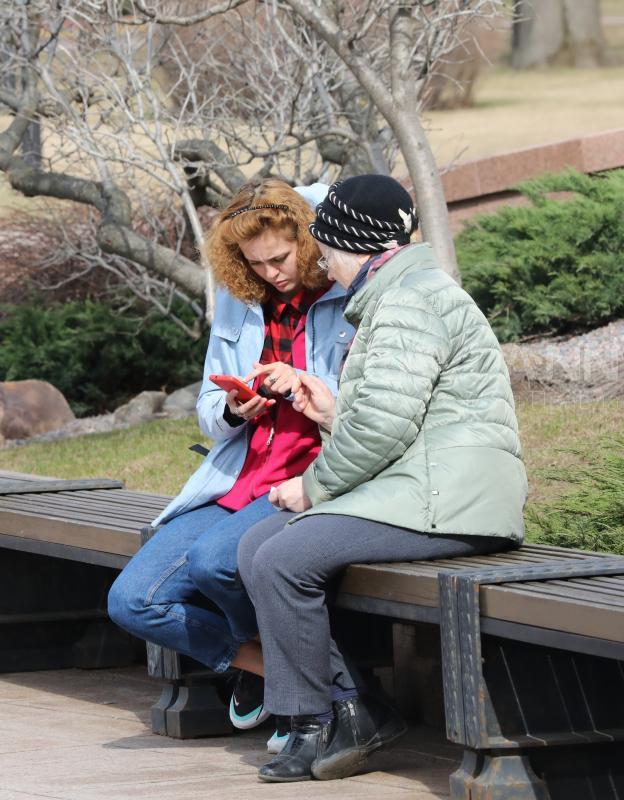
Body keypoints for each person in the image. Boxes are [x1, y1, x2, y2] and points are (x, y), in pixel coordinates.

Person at [236, 174, 528, 783]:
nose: (319, 258)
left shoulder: (408, 301)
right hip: (429, 484)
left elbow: (382, 434)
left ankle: (320, 718)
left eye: (324, 246)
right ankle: (347, 707)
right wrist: (335, 412)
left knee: (281, 557)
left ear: (352, 246)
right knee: (257, 545)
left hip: (454, 499)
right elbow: (395, 418)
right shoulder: (401, 294)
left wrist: (312, 487)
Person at [107, 178, 354, 749]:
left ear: (308, 239)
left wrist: (305, 384)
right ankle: (269, 665)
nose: (271, 272)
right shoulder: (240, 305)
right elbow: (207, 411)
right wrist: (235, 408)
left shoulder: (345, 297)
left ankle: (326, 699)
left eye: (280, 257)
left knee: (216, 559)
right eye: (256, 263)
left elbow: (366, 405)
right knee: (132, 600)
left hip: (309, 476)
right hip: (238, 477)